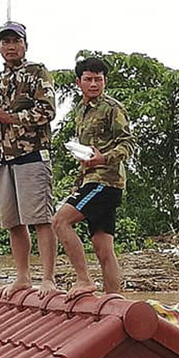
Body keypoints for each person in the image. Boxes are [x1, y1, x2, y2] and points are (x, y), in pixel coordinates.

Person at [0, 21, 57, 297]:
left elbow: (47, 112)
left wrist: (9, 116)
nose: (10, 46)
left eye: (15, 41)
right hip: (2, 158)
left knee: (40, 218)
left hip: (31, 154)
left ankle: (48, 278)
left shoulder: (38, 73)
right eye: (5, 42)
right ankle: (23, 276)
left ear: (25, 44)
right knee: (13, 222)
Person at [52, 57, 136, 298]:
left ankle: (84, 280)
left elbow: (128, 144)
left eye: (98, 79)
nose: (93, 84)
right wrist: (77, 184)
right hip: (90, 181)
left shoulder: (113, 108)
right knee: (103, 248)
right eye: (88, 79)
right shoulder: (80, 111)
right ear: (79, 82)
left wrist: (103, 159)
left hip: (106, 182)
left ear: (105, 81)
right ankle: (113, 301)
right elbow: (85, 153)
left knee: (60, 222)